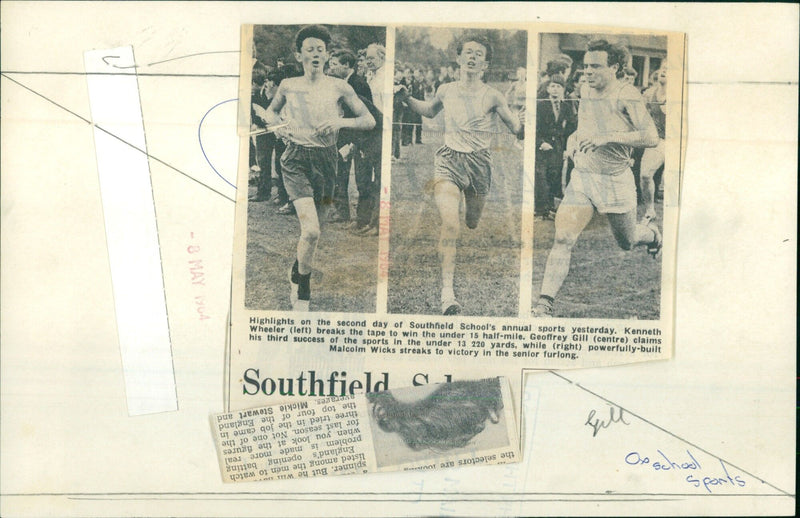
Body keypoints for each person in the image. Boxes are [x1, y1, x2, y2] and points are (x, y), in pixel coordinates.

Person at [533, 39, 662, 318]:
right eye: (586, 66)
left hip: (616, 180)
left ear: (615, 67)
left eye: (595, 66)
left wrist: (607, 138)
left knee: (627, 241)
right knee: (564, 238)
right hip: (584, 177)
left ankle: (652, 235)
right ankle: (544, 303)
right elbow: (585, 127)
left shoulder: (627, 95)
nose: (587, 72)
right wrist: (573, 139)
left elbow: (651, 137)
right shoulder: (584, 89)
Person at [396, 35, 524, 315]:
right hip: (448, 161)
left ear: (486, 64)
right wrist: (405, 97)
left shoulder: (492, 95)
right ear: (459, 58)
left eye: (479, 54)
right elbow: (428, 111)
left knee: (472, 222)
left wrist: (523, 123)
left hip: (479, 165)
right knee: (450, 224)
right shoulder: (446, 89)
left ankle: (470, 215)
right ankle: (447, 294)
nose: (473, 57)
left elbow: (515, 127)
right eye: (468, 52)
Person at [264, 25, 375, 311]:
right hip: (296, 160)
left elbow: (368, 120)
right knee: (311, 231)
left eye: (320, 50)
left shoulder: (339, 86)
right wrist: (279, 129)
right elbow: (271, 112)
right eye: (309, 49)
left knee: (314, 232)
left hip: (327, 163)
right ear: (299, 55)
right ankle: (304, 287)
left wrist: (341, 122)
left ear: (327, 56)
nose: (315, 54)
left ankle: (297, 270)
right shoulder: (288, 85)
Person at [326, 49, 373, 223]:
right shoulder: (342, 83)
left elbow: (366, 114)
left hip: (358, 139)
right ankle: (342, 212)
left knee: (362, 179)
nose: (332, 68)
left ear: (346, 65)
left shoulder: (358, 84)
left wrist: (354, 143)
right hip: (343, 136)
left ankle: (363, 218)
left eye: (335, 64)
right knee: (339, 174)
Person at [534, 76, 576, 218]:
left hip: (557, 146)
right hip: (542, 146)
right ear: (547, 89)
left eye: (558, 87)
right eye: (552, 86)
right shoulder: (540, 105)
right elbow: (534, 128)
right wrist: (541, 143)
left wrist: (566, 149)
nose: (555, 89)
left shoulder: (566, 106)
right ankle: (540, 209)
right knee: (541, 176)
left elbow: (571, 129)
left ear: (563, 89)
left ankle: (550, 207)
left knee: (554, 176)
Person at [640, 66, 667, 221]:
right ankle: (650, 210)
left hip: (677, 142)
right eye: (663, 68)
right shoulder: (650, 94)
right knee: (645, 175)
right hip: (658, 141)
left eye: (669, 69)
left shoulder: (681, 93)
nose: (664, 71)